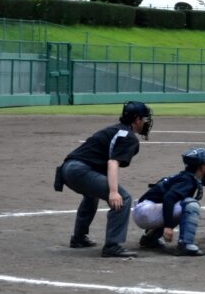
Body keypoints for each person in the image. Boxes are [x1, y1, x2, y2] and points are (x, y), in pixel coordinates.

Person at [59, 101, 153, 258]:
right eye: (144, 119)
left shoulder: (114, 129)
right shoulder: (129, 137)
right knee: (122, 198)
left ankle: (79, 238)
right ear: (136, 119)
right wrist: (114, 192)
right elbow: (112, 162)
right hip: (80, 170)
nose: (145, 122)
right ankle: (112, 246)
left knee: (91, 196)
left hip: (68, 169)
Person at [131, 148, 205, 256]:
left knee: (177, 205)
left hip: (144, 211)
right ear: (201, 166)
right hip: (147, 212)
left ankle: (150, 238)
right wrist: (168, 226)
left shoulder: (187, 176)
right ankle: (185, 245)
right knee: (190, 204)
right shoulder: (188, 180)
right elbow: (169, 198)